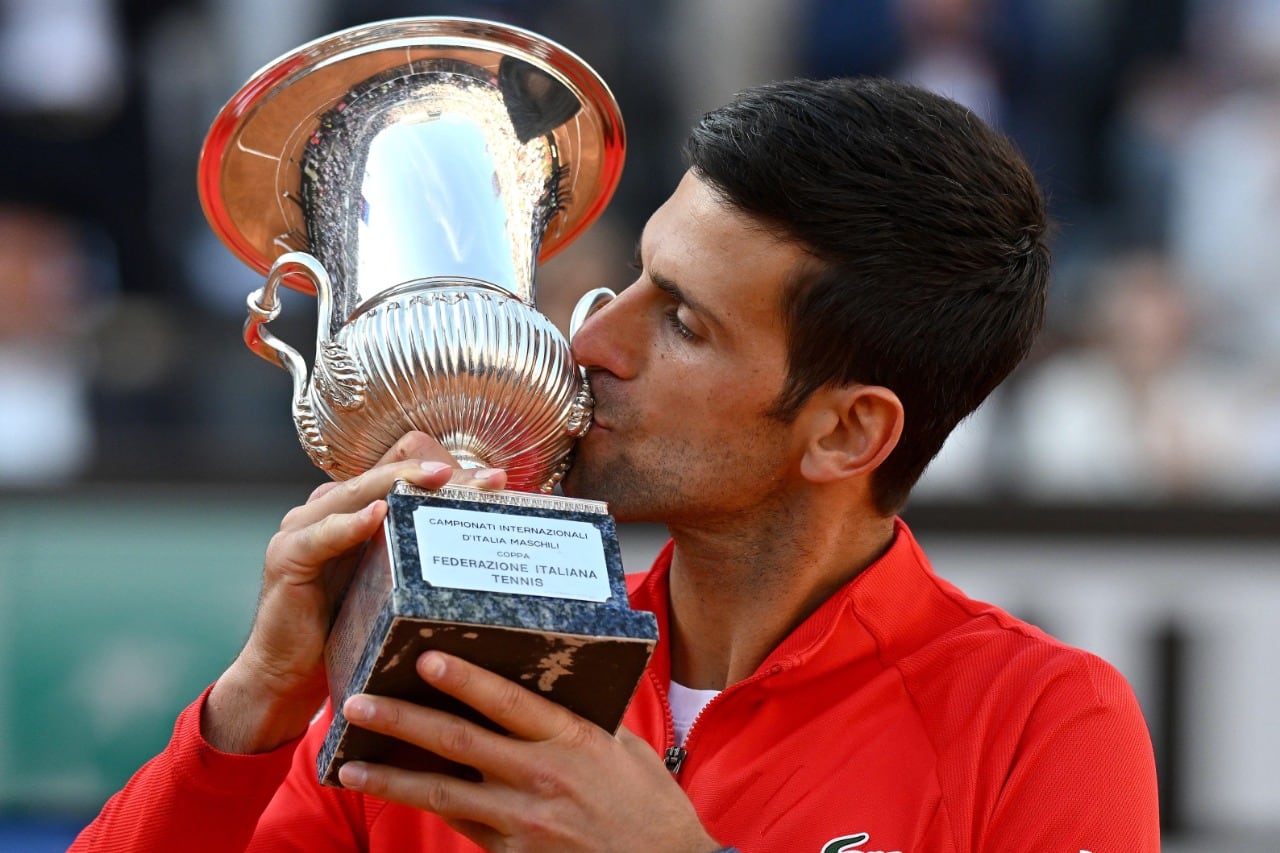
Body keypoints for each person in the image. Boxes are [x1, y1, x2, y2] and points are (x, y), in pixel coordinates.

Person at [71, 76, 1160, 851]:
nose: (592, 341)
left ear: (845, 432)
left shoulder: (1038, 722)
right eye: (636, 276)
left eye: (681, 322)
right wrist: (250, 711)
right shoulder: (442, 676)